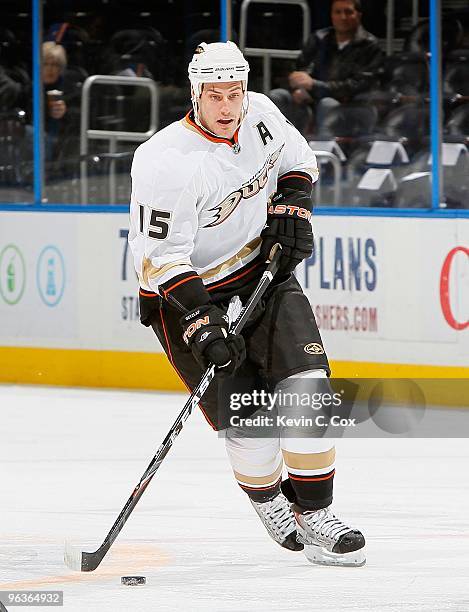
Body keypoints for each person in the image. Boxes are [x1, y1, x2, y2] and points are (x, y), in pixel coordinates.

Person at [129, 41, 365, 566]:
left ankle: (316, 512)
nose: (229, 104)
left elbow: (299, 161)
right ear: (196, 93)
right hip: (186, 294)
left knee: (309, 388)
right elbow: (159, 256)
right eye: (216, 94)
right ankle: (269, 501)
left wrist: (292, 205)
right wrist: (201, 319)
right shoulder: (164, 161)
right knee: (250, 421)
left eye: (235, 91)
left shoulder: (262, 114)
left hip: (261, 270)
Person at [270, 0, 384, 134]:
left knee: (327, 104)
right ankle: (272, 149)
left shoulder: (370, 46)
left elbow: (357, 85)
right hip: (312, 96)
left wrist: (314, 87)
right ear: (331, 16)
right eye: (338, 12)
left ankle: (323, 151)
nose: (343, 17)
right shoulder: (319, 38)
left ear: (358, 15)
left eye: (348, 12)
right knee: (277, 96)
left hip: (348, 103)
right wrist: (299, 85)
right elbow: (302, 67)